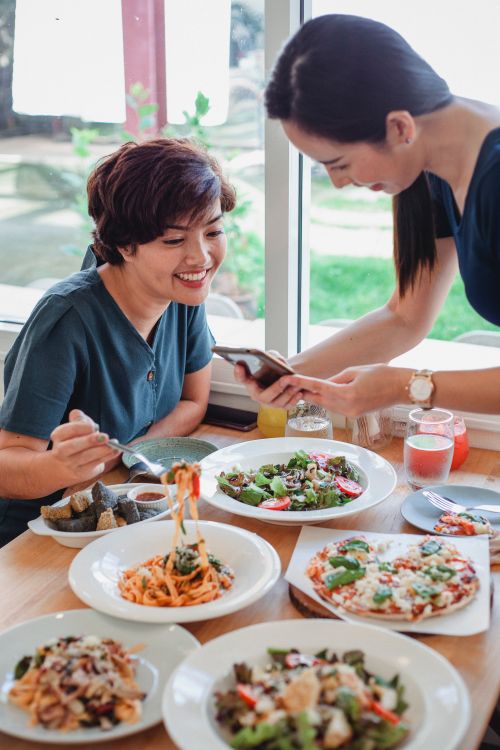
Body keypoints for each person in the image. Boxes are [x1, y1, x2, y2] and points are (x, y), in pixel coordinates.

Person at [235, 13, 500, 417]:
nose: (337, 183)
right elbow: (404, 318)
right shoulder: (431, 171)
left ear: (398, 127)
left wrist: (406, 386)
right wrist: (291, 374)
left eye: (338, 163)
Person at [0, 137, 236, 545]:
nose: (201, 257)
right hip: (38, 537)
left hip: (121, 512)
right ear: (125, 244)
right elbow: (7, 470)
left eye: (213, 231)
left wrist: (126, 453)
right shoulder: (67, 318)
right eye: (174, 240)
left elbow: (192, 403)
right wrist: (64, 466)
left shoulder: (182, 293)